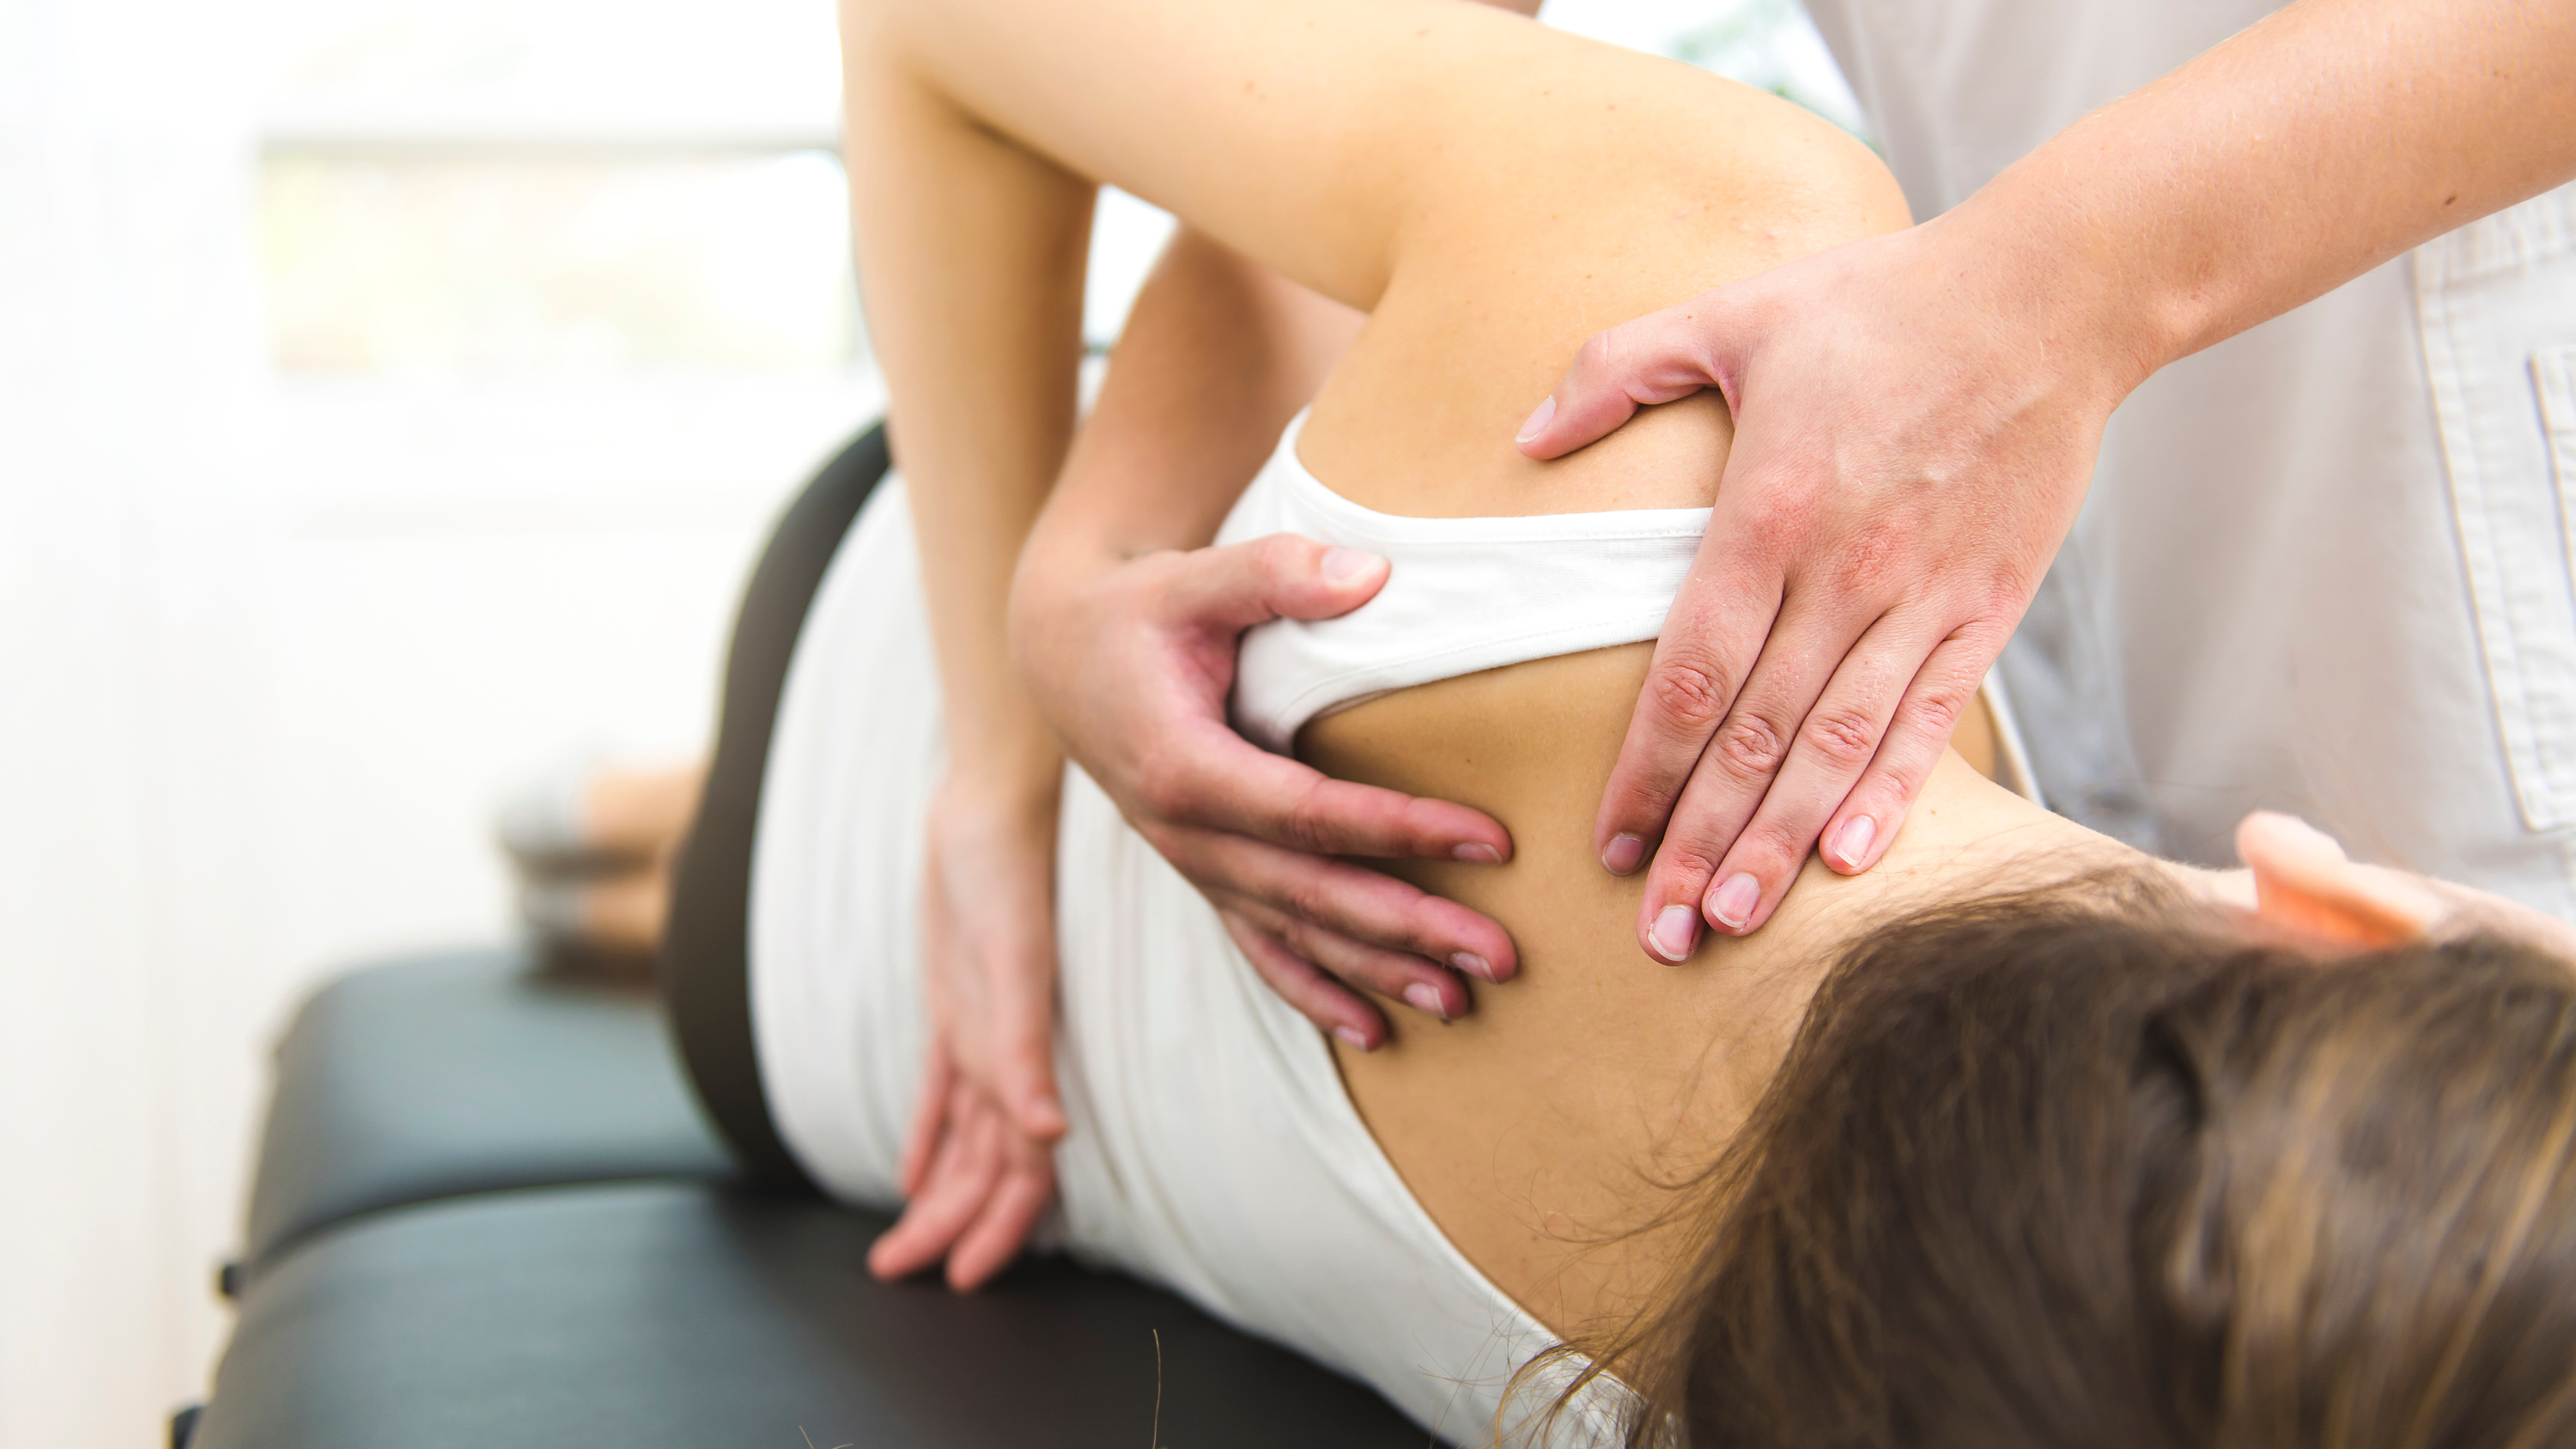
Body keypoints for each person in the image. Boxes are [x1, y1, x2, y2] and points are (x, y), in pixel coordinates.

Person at [656, 1, 2576, 1442]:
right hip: (808, 1052)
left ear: (2355, 910)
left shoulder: (1691, 281)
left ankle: (638, 826)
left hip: (873, 703)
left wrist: (1006, 719)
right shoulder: (1813, 1391)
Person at [1018, 0, 2576, 1049]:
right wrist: (1093, 561)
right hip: (2032, 623)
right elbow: (1374, 67)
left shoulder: (1719, 192)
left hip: (2457, 619)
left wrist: (2053, 291)